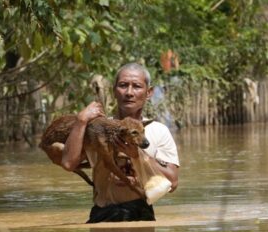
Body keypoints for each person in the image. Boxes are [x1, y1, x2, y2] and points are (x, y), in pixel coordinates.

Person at [60, 62, 180, 223]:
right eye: (123, 85)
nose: (129, 92)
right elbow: (68, 164)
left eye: (137, 86)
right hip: (103, 213)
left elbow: (172, 183)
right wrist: (81, 121)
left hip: (142, 212)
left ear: (149, 92)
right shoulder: (97, 128)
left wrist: (138, 155)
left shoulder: (158, 131)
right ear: (114, 91)